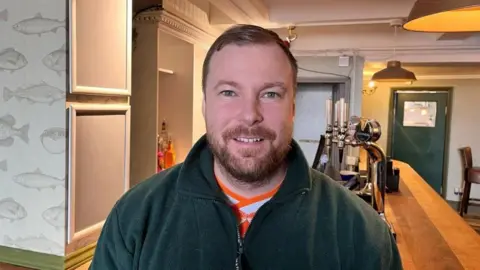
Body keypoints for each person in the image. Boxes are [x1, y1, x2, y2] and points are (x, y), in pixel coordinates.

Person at [90, 24, 402, 269]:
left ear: (293, 107)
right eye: (228, 92)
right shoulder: (134, 217)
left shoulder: (362, 234)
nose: (250, 114)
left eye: (270, 94)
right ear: (205, 105)